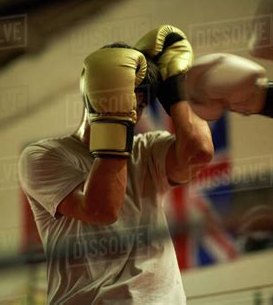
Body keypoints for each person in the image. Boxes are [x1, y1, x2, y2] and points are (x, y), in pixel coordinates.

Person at [18, 25, 213, 304]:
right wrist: (113, 117)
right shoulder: (43, 156)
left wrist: (176, 88)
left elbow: (199, 152)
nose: (134, 108)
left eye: (141, 102)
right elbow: (102, 208)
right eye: (128, 96)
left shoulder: (147, 150)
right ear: (93, 94)